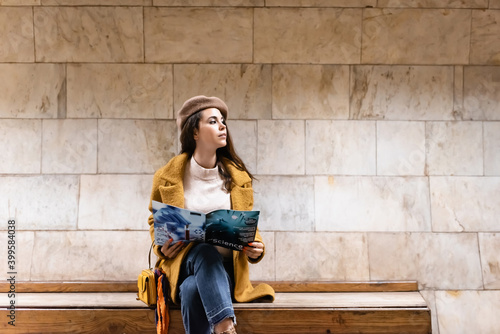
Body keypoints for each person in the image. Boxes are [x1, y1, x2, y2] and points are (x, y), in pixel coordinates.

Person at [147, 95, 275, 334]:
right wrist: (160, 246)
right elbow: (156, 219)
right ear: (194, 132)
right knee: (203, 251)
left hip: (225, 272)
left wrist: (256, 247)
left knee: (191, 290)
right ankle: (226, 328)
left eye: (223, 121)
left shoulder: (238, 178)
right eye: (213, 121)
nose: (222, 126)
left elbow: (246, 224)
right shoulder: (167, 177)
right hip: (183, 263)